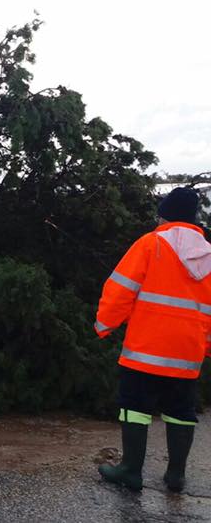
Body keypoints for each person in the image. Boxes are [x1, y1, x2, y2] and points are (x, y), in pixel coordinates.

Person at [95, 186, 210, 492]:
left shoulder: (151, 244)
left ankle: (131, 471)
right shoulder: (209, 256)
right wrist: (206, 347)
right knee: (181, 411)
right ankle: (176, 476)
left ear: (165, 215)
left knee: (135, 406)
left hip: (144, 350)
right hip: (187, 354)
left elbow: (120, 288)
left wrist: (104, 325)